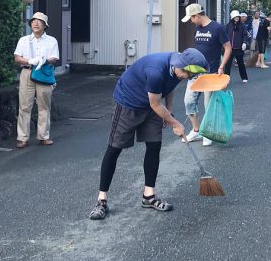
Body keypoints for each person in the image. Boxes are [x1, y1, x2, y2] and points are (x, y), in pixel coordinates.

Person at [88, 49, 208, 220]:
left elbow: (168, 88)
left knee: (154, 146)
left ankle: (149, 196)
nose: (185, 77)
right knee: (114, 149)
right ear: (179, 65)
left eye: (189, 76)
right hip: (129, 103)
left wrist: (170, 112)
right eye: (186, 74)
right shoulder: (156, 71)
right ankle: (101, 200)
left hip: (153, 104)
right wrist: (176, 124)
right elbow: (155, 103)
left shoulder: (177, 69)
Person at [181, 3, 231, 146]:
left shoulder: (217, 28)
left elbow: (227, 47)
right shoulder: (198, 28)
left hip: (211, 73)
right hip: (195, 72)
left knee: (208, 105)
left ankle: (207, 132)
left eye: (191, 18)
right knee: (188, 101)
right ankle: (196, 130)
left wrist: (222, 66)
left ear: (197, 16)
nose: (191, 21)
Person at [13, 11, 60, 148]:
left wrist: (44, 60)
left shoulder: (52, 40)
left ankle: (43, 136)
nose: (36, 23)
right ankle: (22, 138)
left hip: (43, 73)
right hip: (27, 72)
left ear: (45, 25)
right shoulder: (24, 40)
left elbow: (54, 58)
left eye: (39, 21)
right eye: (33, 21)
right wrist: (30, 60)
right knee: (24, 106)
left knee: (44, 106)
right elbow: (17, 57)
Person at [225, 10, 250, 83]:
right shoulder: (228, 25)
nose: (237, 18)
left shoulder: (242, 25)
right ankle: (226, 79)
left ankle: (244, 78)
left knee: (241, 63)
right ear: (232, 17)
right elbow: (225, 35)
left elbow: (245, 35)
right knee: (228, 64)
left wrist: (244, 43)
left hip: (239, 48)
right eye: (235, 17)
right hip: (230, 48)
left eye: (237, 17)